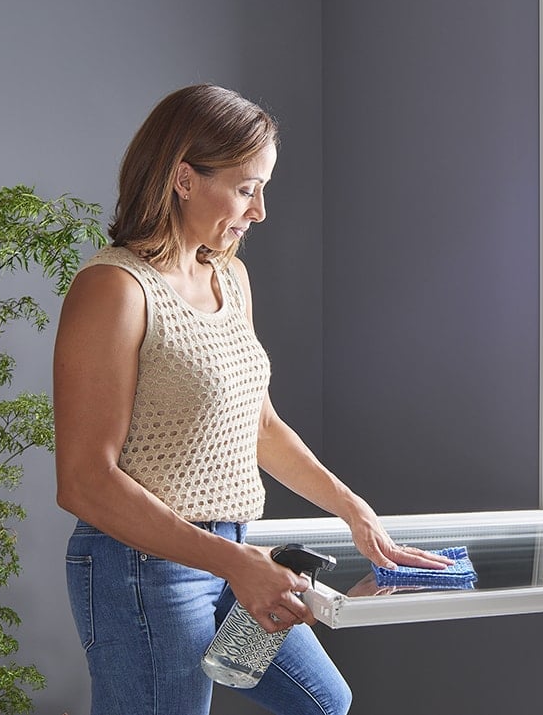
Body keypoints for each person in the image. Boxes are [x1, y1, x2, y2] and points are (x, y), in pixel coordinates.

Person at [53, 84, 449, 715]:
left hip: (235, 557)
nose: (260, 209)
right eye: (245, 188)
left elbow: (258, 424)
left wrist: (354, 511)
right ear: (183, 177)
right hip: (142, 570)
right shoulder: (115, 289)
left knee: (324, 702)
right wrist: (234, 561)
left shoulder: (229, 277)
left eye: (263, 187)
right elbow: (83, 483)